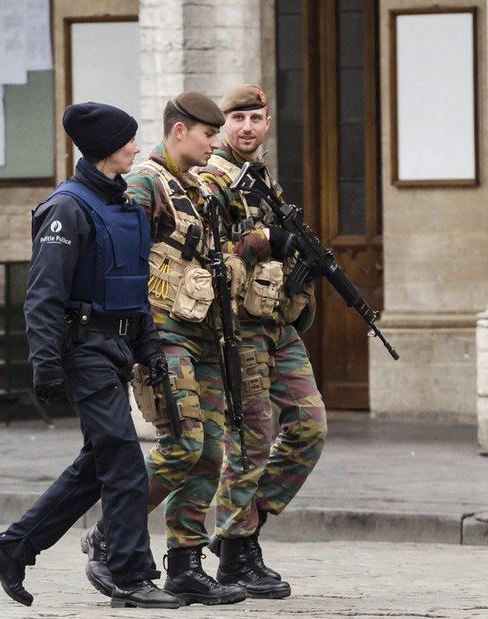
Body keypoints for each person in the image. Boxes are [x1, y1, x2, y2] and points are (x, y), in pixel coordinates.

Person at [0, 102, 179, 609]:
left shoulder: (129, 208)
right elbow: (43, 295)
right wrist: (45, 364)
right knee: (125, 460)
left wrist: (148, 347)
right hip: (82, 350)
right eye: (130, 140)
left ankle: (13, 547)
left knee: (99, 461)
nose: (138, 147)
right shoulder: (66, 209)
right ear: (108, 147)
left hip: (116, 347)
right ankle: (130, 575)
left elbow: (135, 290)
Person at [80, 91, 246, 606]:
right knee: (182, 445)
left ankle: (185, 564)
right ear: (179, 132)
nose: (214, 143)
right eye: (207, 134)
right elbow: (120, 253)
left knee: (210, 449)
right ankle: (112, 536)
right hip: (163, 333)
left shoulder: (195, 186)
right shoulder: (145, 182)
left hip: (205, 334)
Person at [196, 83, 326, 599]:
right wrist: (263, 241)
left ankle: (243, 526)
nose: (247, 127)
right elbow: (203, 245)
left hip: (277, 323)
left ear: (268, 123)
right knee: (249, 439)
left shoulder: (263, 178)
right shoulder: (211, 178)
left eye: (256, 118)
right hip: (238, 328)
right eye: (237, 119)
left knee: (310, 426)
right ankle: (235, 554)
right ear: (223, 125)